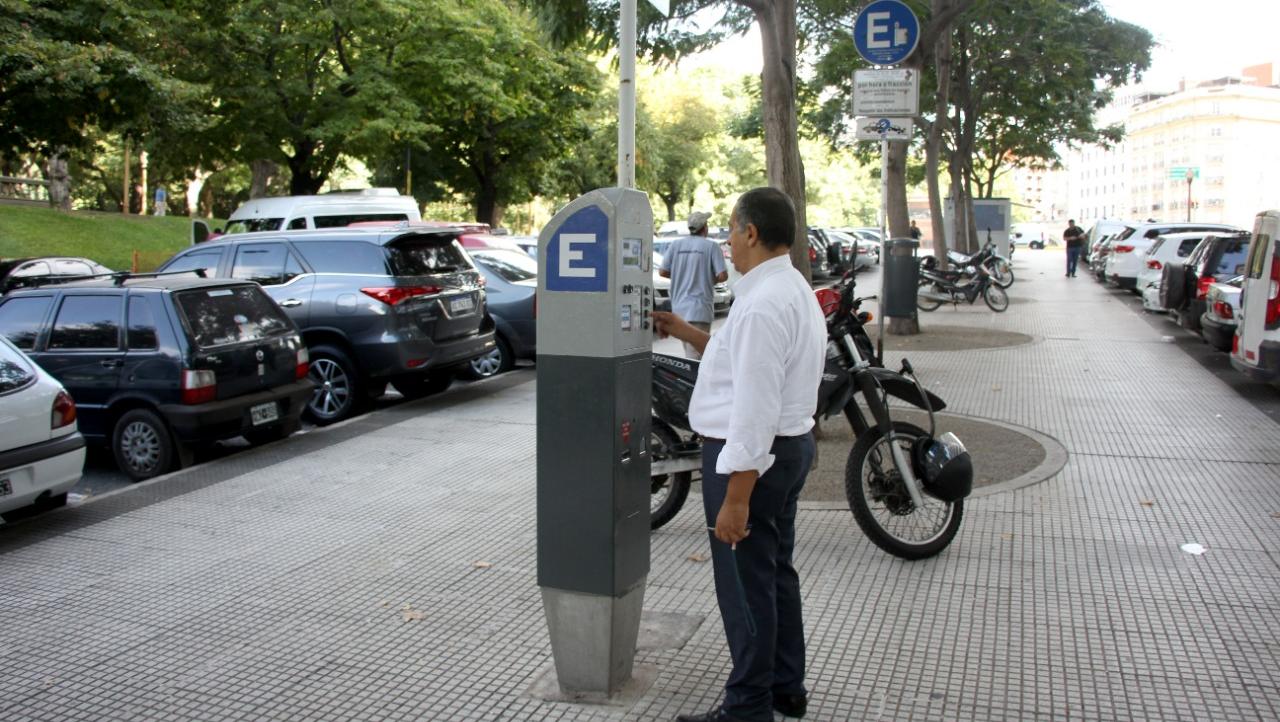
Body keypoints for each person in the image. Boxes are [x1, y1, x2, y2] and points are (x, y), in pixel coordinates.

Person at [653, 187, 826, 722]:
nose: (726, 239)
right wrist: (686, 333)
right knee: (775, 574)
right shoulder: (791, 288)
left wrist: (736, 498)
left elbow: (753, 410)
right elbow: (746, 367)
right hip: (790, 449)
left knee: (745, 588)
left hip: (753, 459)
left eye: (731, 228)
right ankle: (784, 687)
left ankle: (748, 707)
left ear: (751, 232)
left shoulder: (761, 306)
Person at [659, 210, 728, 359]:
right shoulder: (711, 247)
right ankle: (694, 383)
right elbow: (722, 275)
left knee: (690, 352)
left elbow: (662, 272)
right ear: (704, 228)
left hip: (679, 310)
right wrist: (707, 279)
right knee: (697, 357)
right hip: (700, 309)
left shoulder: (676, 245)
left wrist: (680, 276)